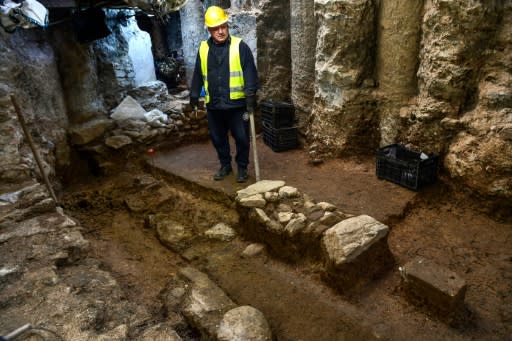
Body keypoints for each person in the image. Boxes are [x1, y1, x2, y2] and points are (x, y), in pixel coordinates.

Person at [189, 5, 259, 183]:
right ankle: (225, 166)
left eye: (223, 26)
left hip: (237, 105)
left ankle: (242, 168)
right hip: (214, 105)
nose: (220, 31)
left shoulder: (240, 46)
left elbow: (250, 72)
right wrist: (194, 94)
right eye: (215, 28)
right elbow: (198, 73)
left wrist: (251, 96)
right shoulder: (203, 49)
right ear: (209, 29)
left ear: (227, 25)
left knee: (242, 138)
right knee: (218, 138)